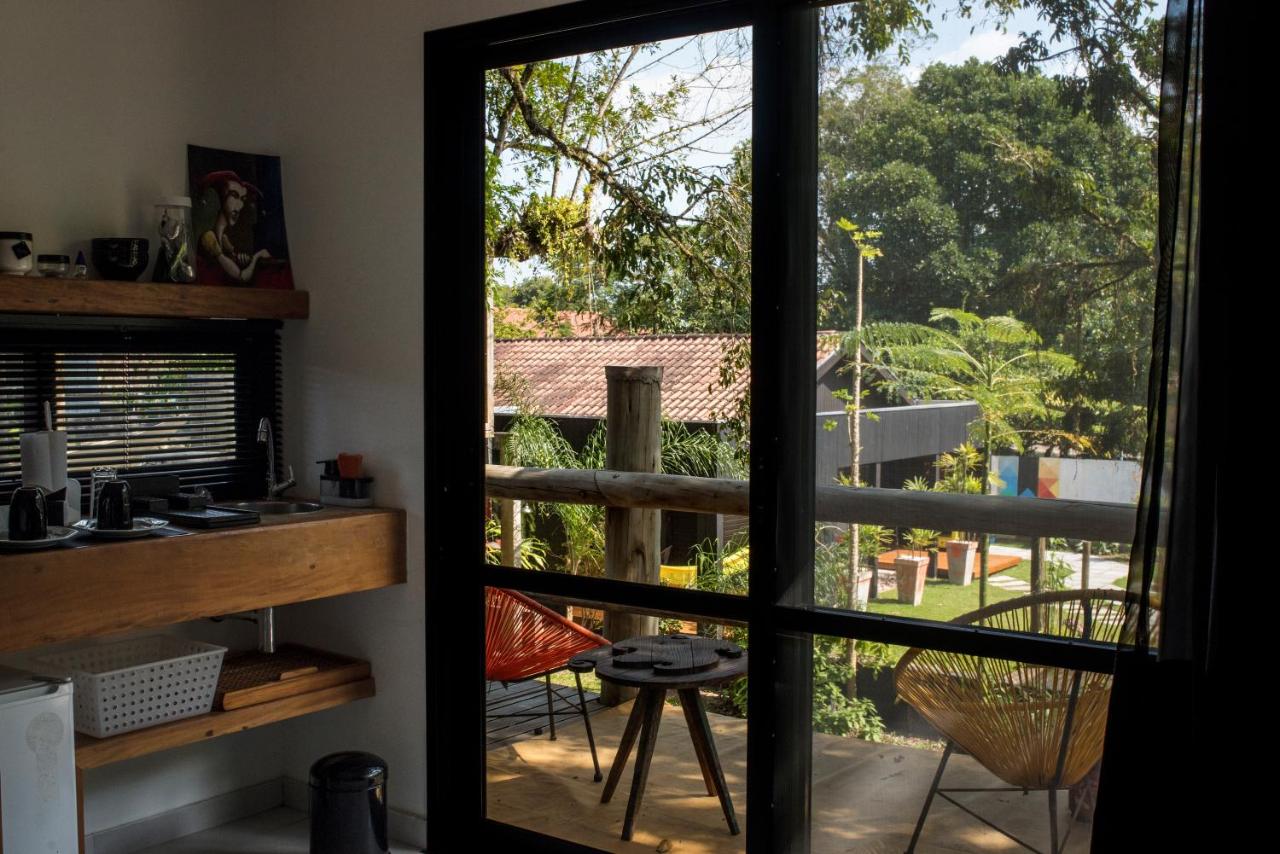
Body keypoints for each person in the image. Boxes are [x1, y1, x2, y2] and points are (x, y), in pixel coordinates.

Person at [196, 170, 272, 284]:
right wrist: (257, 256)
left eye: (243, 199)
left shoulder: (225, 241)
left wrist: (241, 259)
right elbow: (241, 277)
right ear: (222, 196)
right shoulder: (209, 239)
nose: (240, 206)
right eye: (234, 196)